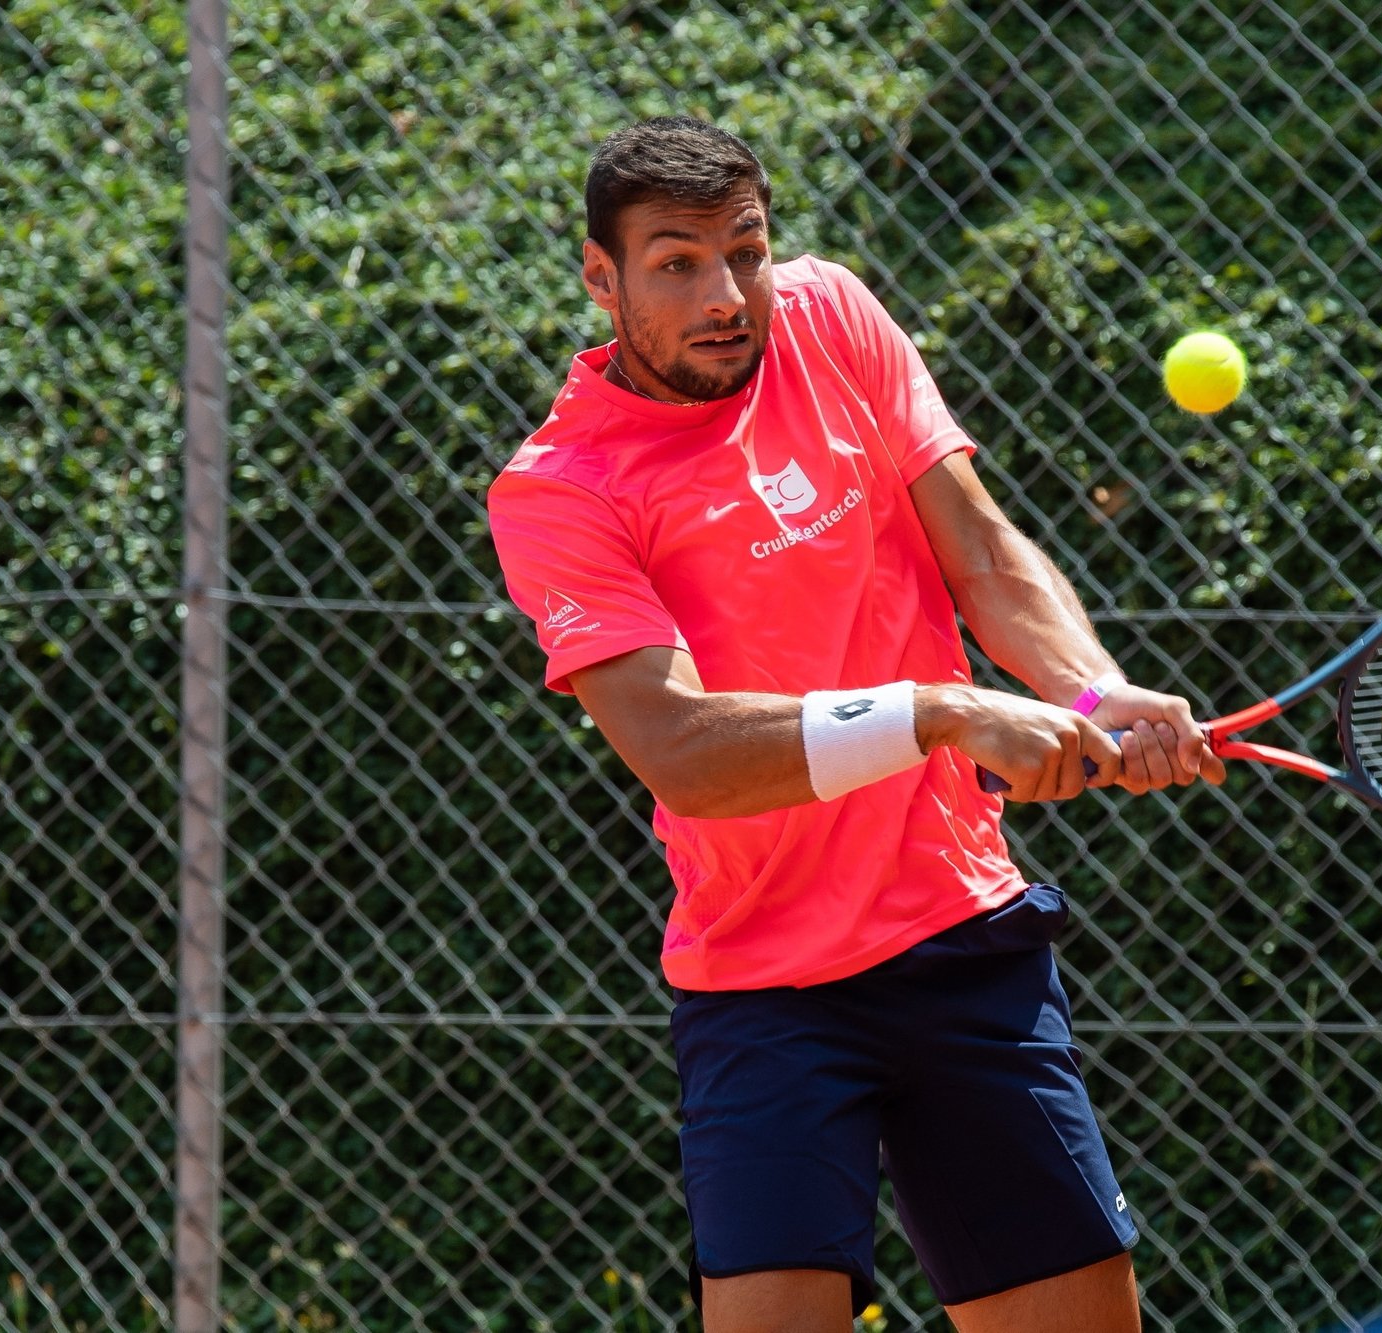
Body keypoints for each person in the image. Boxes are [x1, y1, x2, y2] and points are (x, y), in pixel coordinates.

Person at [487, 116, 1224, 1333]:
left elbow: (981, 551)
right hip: (761, 986)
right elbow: (680, 752)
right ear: (600, 278)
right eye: (677, 263)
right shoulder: (559, 491)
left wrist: (1094, 692)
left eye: (746, 249)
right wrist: (940, 712)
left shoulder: (831, 317)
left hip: (958, 935)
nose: (725, 294)